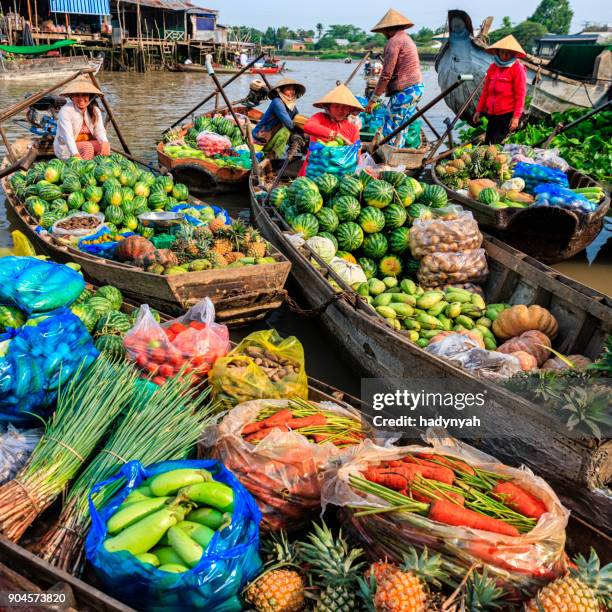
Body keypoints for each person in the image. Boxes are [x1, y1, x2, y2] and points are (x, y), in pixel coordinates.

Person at [365, 9, 424, 149]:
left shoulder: (394, 42)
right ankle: (399, 155)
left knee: (390, 125)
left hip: (406, 91)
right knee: (402, 126)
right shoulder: (407, 38)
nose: (384, 34)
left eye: (384, 31)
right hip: (417, 88)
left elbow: (386, 74)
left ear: (388, 30)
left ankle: (390, 159)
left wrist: (373, 100)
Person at [299, 84, 363, 176]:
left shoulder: (352, 128)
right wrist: (336, 135)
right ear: (328, 107)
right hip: (313, 172)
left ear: (350, 109)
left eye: (344, 107)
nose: (340, 110)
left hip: (340, 175)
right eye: (336, 106)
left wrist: (357, 148)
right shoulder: (320, 118)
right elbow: (308, 126)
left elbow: (357, 156)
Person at [474, 35, 527, 145]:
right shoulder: (493, 67)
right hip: (492, 113)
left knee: (496, 145)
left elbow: (520, 95)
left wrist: (516, 117)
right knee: (488, 141)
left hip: (506, 114)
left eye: (508, 53)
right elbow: (485, 91)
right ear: (498, 52)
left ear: (513, 54)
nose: (504, 55)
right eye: (502, 52)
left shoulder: (517, 69)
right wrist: (479, 110)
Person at [53, 76, 110, 161]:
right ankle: (83, 170)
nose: (81, 99)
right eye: (77, 95)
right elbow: (68, 136)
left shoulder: (95, 110)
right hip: (67, 149)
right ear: (72, 97)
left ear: (89, 96)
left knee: (104, 146)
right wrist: (75, 154)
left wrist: (105, 142)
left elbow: (99, 130)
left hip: (86, 144)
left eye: (84, 95)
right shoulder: (66, 111)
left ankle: (99, 167)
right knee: (87, 148)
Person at [252, 77, 306, 159]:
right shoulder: (277, 102)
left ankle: (285, 152)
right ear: (281, 90)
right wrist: (300, 133)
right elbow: (288, 123)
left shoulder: (291, 105)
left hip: (272, 135)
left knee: (297, 131)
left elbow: (297, 118)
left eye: (293, 89)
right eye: (288, 89)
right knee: (286, 131)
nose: (291, 92)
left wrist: (306, 129)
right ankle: (275, 156)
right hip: (261, 138)